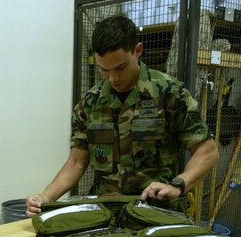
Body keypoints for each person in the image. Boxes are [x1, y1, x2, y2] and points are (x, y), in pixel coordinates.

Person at [26, 14, 218, 216]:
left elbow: (207, 151)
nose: (113, 78)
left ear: (138, 51)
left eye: (120, 68)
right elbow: (77, 162)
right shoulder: (91, 102)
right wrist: (46, 197)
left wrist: (179, 184)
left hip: (156, 212)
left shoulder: (169, 93)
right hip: (104, 213)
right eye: (104, 70)